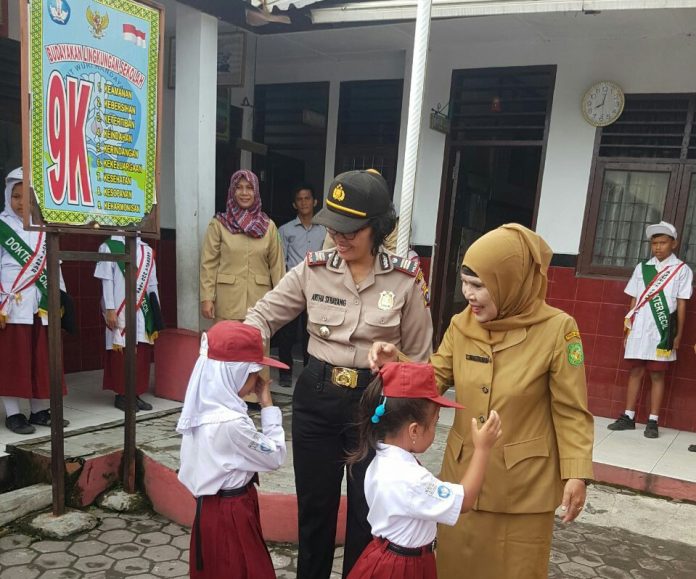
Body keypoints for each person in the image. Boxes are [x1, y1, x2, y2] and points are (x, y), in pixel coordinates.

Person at [369, 224, 594, 579]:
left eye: (478, 285)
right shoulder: (463, 325)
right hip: (464, 481)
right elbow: (434, 377)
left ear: (511, 280)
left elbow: (571, 410)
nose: (468, 295)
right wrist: (397, 360)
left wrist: (577, 473)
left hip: (523, 491)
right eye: (465, 283)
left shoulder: (557, 329)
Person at [244, 169, 433, 579]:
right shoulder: (314, 268)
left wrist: (397, 365)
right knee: (315, 511)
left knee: (367, 516)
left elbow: (421, 361)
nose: (340, 238)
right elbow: (263, 314)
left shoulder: (404, 281)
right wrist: (248, 348)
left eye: (352, 230)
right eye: (335, 227)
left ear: (378, 228)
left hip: (375, 408)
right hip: (317, 397)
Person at [346, 362, 501, 579]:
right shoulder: (410, 478)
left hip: (385, 555)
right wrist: (482, 448)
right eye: (435, 423)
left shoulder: (381, 460)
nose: (436, 429)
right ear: (414, 430)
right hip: (402, 567)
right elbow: (464, 500)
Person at [177, 321, 289, 579]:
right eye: (253, 374)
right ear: (233, 373)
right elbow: (274, 456)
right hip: (232, 513)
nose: (257, 382)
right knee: (242, 569)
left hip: (209, 510)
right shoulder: (231, 423)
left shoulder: (202, 407)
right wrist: (268, 406)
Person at [200, 169, 285, 402]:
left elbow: (277, 267)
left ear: (256, 191)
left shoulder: (268, 226)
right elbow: (209, 262)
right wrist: (206, 297)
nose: (244, 193)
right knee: (227, 347)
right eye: (239, 187)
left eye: (249, 188)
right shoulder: (219, 224)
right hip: (227, 298)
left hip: (260, 300)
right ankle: (224, 395)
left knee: (258, 348)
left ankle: (258, 396)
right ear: (232, 191)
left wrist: (282, 303)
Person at [607, 221, 693, 439]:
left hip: (663, 331)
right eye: (654, 243)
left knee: (657, 374)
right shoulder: (642, 268)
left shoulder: (681, 270)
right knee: (635, 371)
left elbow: (682, 304)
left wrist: (678, 335)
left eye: (663, 242)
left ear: (674, 243)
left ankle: (653, 421)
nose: (658, 247)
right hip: (639, 328)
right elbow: (634, 300)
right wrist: (627, 330)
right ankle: (628, 416)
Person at [0, 167, 70, 434]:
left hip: (41, 304)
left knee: (42, 359)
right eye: (16, 197)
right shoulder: (2, 226)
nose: (21, 203)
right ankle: (14, 414)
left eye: (26, 197)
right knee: (13, 360)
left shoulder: (44, 227)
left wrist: (60, 299)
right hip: (11, 305)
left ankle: (40, 411)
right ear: (8, 196)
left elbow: (55, 266)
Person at [94, 235, 163, 412]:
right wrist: (109, 307)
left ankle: (136, 393)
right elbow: (106, 280)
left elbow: (152, 284)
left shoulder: (146, 250)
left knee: (141, 351)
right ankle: (122, 395)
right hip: (119, 307)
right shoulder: (108, 246)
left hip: (143, 309)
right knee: (121, 351)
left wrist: (157, 311)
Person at [276, 183, 326, 386]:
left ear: (314, 202)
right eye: (300, 199)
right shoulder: (285, 230)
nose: (304, 202)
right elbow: (280, 261)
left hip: (316, 288)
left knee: (312, 332)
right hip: (292, 288)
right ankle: (285, 373)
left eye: (307, 198)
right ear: (294, 204)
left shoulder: (325, 231)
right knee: (286, 332)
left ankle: (308, 373)